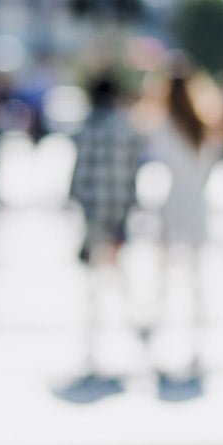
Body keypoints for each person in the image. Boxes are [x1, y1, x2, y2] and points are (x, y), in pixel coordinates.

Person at [149, 60, 223, 365]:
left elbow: (157, 161)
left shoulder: (165, 124)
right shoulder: (205, 124)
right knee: (195, 275)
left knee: (165, 275)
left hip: (173, 204)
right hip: (197, 204)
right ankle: (196, 340)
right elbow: (212, 163)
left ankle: (159, 337)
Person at [69, 74, 145, 367]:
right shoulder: (126, 127)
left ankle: (94, 335)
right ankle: (133, 325)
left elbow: (80, 172)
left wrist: (77, 202)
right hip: (118, 210)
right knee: (119, 273)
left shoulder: (88, 127)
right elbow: (132, 171)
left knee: (94, 279)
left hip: (93, 213)